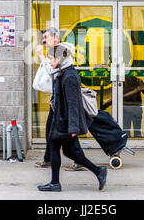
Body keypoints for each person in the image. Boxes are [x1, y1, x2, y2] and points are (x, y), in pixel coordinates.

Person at [37, 45, 107, 192]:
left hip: (64, 121)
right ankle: (98, 171)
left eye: (51, 59)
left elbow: (73, 104)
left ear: (59, 59)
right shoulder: (62, 72)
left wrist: (73, 127)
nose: (50, 62)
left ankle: (55, 183)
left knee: (55, 147)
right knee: (68, 151)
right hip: (61, 119)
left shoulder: (69, 76)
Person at [33, 28, 85, 171]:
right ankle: (49, 159)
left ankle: (80, 160)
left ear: (55, 37)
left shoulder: (63, 50)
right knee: (52, 129)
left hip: (62, 100)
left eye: (46, 36)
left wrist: (42, 57)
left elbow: (51, 71)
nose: (44, 40)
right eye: (43, 37)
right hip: (56, 99)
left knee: (66, 132)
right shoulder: (54, 52)